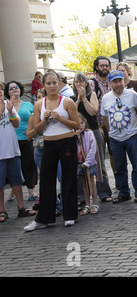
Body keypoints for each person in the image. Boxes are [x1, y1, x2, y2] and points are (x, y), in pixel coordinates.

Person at [24, 72, 80, 231]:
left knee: (68, 178)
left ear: (59, 83)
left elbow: (76, 125)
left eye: (54, 82)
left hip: (67, 142)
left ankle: (70, 215)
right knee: (47, 180)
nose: (52, 86)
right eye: (48, 83)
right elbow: (36, 129)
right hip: (48, 143)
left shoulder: (67, 102)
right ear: (44, 85)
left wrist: (60, 118)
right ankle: (43, 218)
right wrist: (45, 119)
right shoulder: (39, 104)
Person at [101, 70, 137, 204]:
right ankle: (123, 192)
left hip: (131, 135)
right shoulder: (106, 98)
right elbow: (105, 116)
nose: (118, 84)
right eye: (115, 81)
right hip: (115, 138)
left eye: (120, 80)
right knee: (119, 167)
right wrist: (110, 132)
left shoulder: (132, 94)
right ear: (110, 84)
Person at [72, 72, 112, 202]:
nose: (79, 84)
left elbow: (93, 111)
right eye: (76, 82)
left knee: (99, 162)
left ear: (86, 83)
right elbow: (72, 113)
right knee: (79, 164)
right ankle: (81, 195)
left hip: (93, 131)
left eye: (81, 81)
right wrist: (78, 99)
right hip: (78, 134)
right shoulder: (71, 98)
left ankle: (104, 192)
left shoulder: (92, 95)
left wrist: (84, 98)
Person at [0, 82, 36, 223]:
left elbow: (15, 123)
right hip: (1, 153)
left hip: (13, 150)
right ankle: (2, 210)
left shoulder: (9, 104)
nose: (1, 92)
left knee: (17, 181)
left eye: (1, 90)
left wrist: (9, 111)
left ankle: (21, 208)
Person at [89, 56, 114, 172]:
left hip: (114, 124)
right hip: (99, 126)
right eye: (102, 65)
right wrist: (97, 126)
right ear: (96, 67)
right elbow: (89, 108)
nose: (105, 68)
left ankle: (118, 181)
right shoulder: (92, 84)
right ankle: (102, 186)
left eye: (106, 65)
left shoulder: (112, 82)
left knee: (115, 154)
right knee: (99, 157)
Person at [76, 113, 99, 215]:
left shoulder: (89, 133)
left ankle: (94, 204)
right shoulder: (74, 136)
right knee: (84, 184)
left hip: (89, 163)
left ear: (85, 122)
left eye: (82, 123)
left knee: (92, 182)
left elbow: (93, 148)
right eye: (78, 123)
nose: (80, 125)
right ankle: (87, 204)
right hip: (79, 163)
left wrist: (88, 162)